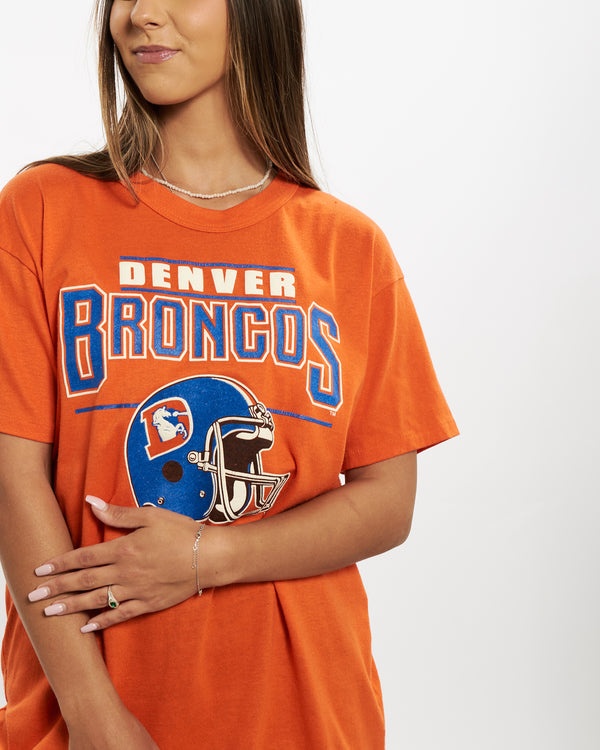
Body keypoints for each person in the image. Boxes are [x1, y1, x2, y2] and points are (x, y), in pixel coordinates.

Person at [0, 0, 458, 747]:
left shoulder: (347, 247)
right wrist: (95, 718)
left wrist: (205, 558)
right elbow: (11, 476)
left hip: (307, 712)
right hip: (91, 717)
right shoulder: (41, 210)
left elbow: (387, 502)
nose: (141, 14)